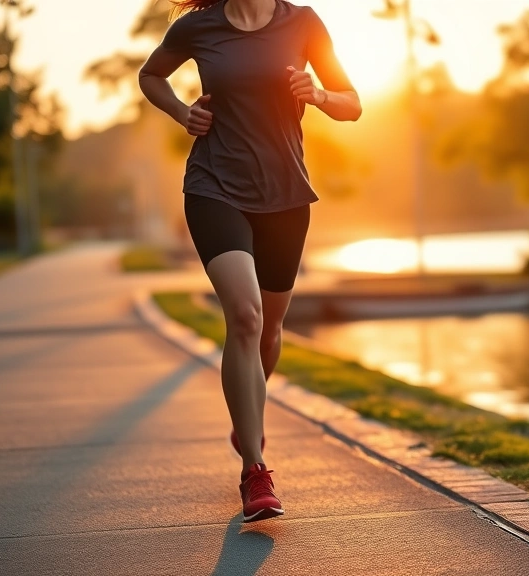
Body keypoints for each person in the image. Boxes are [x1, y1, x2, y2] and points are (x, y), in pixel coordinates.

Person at [138, 0, 361, 522]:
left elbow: (352, 104)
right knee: (245, 314)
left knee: (269, 329)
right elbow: (151, 76)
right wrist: (180, 111)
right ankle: (255, 474)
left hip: (285, 193)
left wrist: (320, 94)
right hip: (214, 186)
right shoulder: (199, 25)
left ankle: (247, 416)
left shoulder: (302, 22)